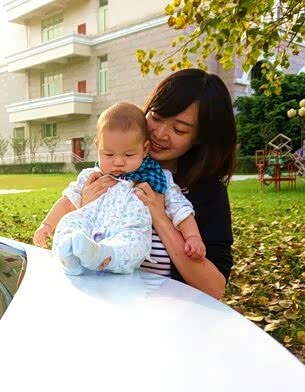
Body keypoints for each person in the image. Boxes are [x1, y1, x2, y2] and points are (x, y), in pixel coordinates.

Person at [80, 69, 236, 299]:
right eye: (156, 117)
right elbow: (77, 241)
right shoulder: (111, 169)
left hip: (166, 311)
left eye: (179, 129)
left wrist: (161, 217)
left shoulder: (207, 193)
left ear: (200, 137)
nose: (160, 134)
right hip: (103, 299)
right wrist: (86, 207)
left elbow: (214, 288)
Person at [32, 102, 204, 276]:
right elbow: (68, 201)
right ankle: (69, 257)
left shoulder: (158, 178)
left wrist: (193, 237)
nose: (118, 162)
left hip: (128, 230)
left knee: (135, 244)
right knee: (69, 223)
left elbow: (181, 209)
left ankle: (104, 256)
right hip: (89, 225)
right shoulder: (91, 176)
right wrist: (47, 224)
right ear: (98, 147)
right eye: (109, 154)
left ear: (145, 149)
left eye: (129, 155)